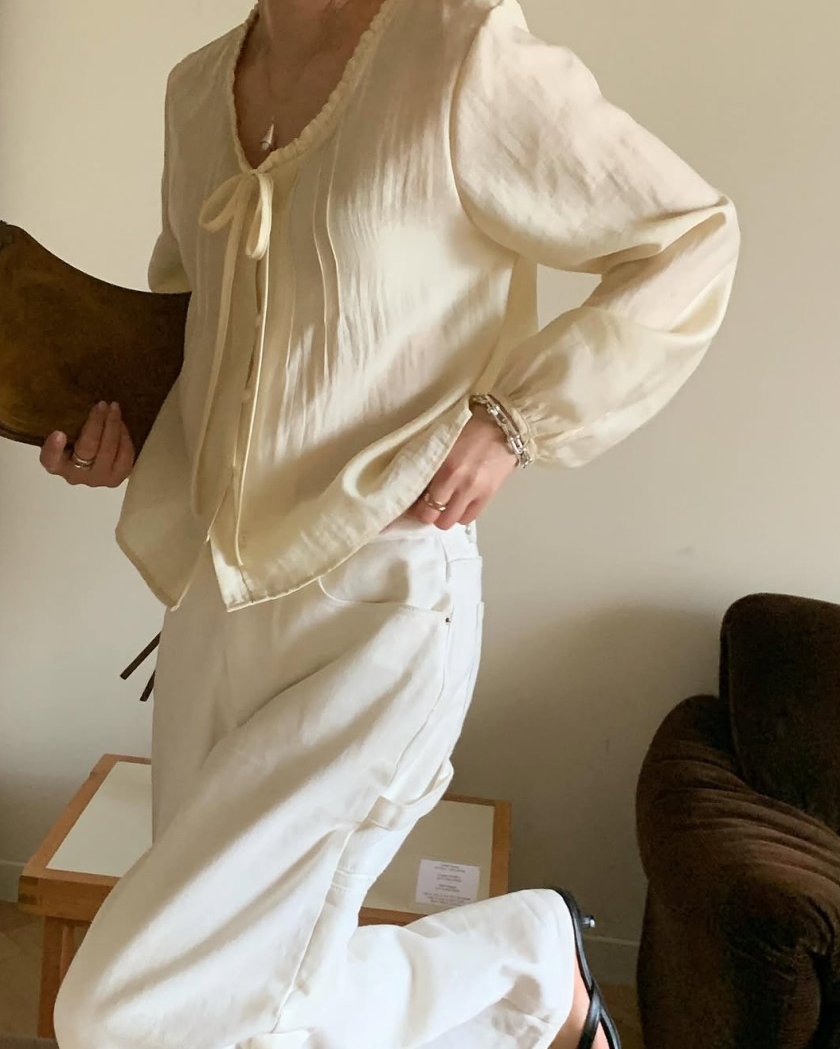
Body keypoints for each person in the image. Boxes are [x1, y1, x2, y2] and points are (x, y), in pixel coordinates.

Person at [27, 1, 740, 1047]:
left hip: (383, 601)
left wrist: (516, 419)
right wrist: (120, 429)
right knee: (240, 999)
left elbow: (689, 235)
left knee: (120, 1009)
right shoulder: (196, 89)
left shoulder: (457, 51)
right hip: (212, 607)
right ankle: (530, 967)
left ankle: (521, 959)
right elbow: (195, 326)